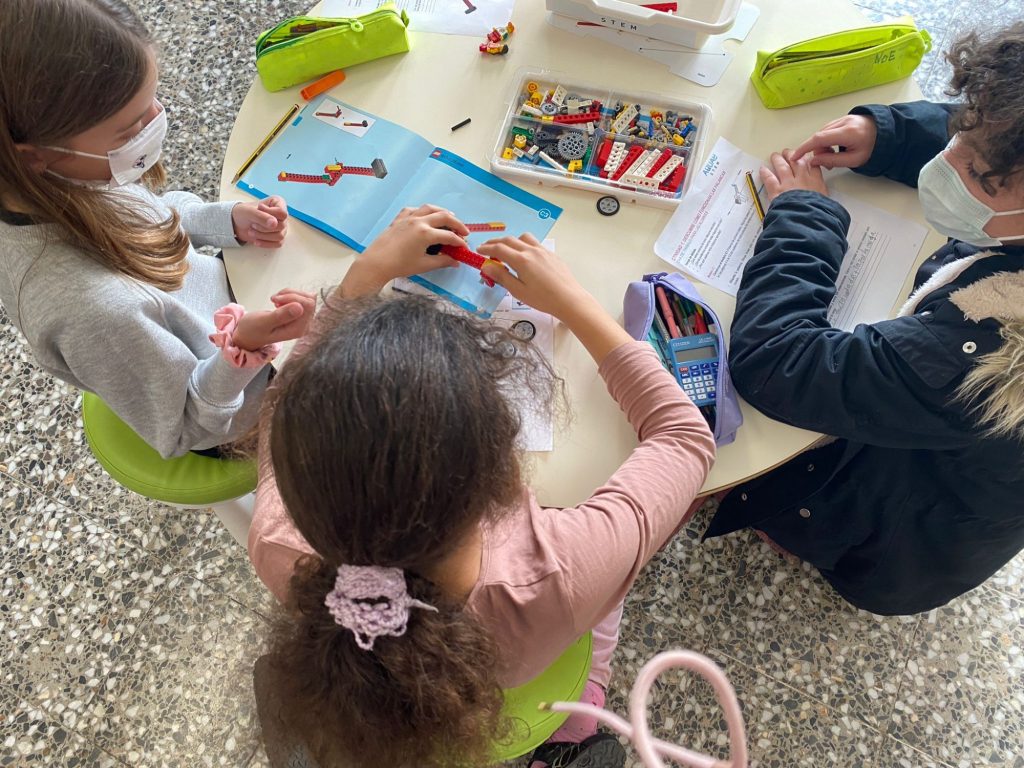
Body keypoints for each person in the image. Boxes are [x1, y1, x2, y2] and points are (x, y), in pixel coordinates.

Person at [246, 205, 716, 768]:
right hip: (532, 654)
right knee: (601, 609)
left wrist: (360, 281)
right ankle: (577, 722)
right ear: (504, 479)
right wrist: (575, 302)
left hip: (408, 696)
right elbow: (685, 436)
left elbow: (283, 410)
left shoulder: (276, 540)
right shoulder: (554, 572)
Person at [705, 23, 1024, 615]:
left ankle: (800, 536)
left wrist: (804, 217)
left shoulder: (998, 351)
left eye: (977, 173)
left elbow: (779, 364)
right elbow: (998, 126)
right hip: (937, 456)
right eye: (960, 134)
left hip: (902, 540)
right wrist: (891, 135)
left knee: (789, 474)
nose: (948, 159)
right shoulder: (1005, 152)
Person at [0, 0, 314, 458]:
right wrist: (243, 347)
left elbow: (155, 211)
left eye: (152, 101)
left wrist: (223, 220)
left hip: (229, 317)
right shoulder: (94, 310)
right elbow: (188, 428)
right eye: (129, 132)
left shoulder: (56, 180)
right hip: (237, 404)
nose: (156, 122)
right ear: (35, 155)